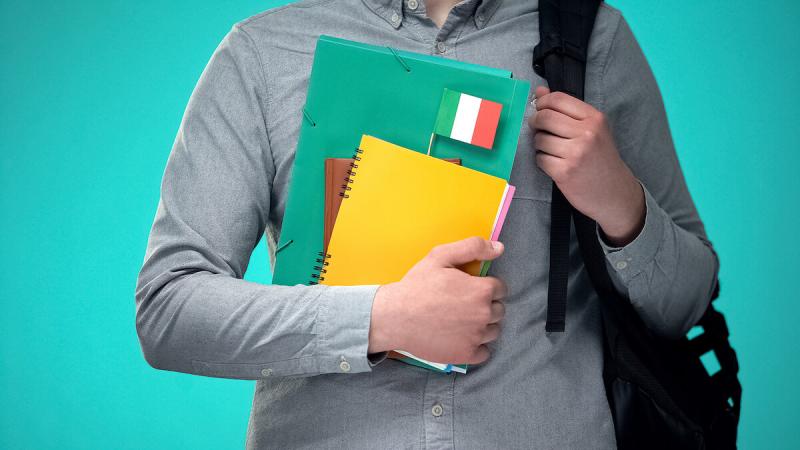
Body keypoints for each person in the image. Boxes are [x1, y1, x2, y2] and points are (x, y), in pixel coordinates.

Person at [135, 0, 719, 448]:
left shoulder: (592, 42)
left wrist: (620, 200)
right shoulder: (263, 54)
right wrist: (379, 319)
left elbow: (686, 304)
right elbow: (169, 309)